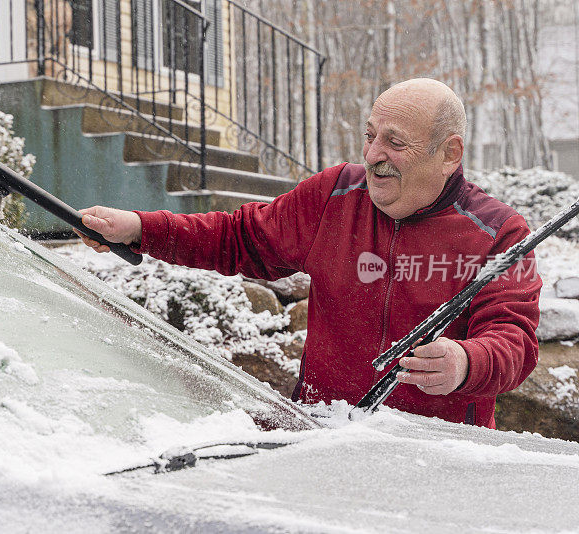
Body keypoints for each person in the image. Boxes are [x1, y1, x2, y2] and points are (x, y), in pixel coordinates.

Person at [74, 78, 541, 429]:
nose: (373, 154)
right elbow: (239, 238)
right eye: (370, 135)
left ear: (449, 153)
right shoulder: (335, 195)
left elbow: (514, 341)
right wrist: (140, 229)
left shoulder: (498, 233)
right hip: (321, 431)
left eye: (395, 143)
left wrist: (465, 362)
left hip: (434, 451)